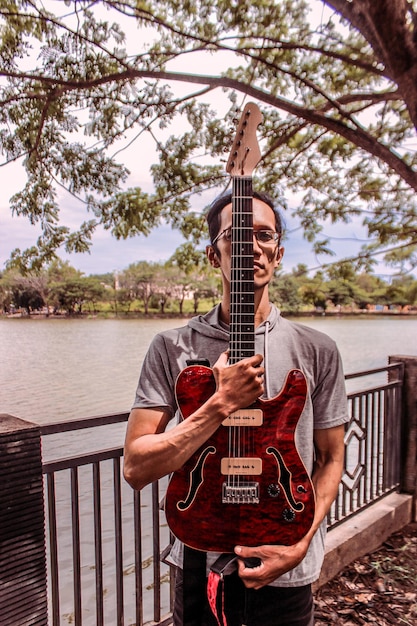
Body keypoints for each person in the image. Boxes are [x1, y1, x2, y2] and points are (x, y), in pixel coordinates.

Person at [123, 189, 349, 626]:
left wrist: (300, 543)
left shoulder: (318, 350)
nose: (251, 246)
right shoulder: (171, 347)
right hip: (198, 558)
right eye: (235, 235)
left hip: (286, 563)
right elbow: (135, 468)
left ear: (278, 253)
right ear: (214, 254)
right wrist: (220, 403)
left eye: (264, 235)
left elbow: (332, 457)